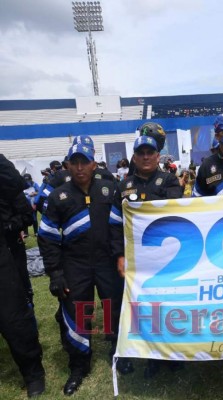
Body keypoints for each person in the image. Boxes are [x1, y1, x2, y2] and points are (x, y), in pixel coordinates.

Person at [38, 144, 128, 395]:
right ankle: (79, 365)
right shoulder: (58, 196)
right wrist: (55, 273)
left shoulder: (109, 189)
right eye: (74, 162)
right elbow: (46, 236)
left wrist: (120, 256)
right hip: (74, 264)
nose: (79, 167)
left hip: (107, 262)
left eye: (84, 161)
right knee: (77, 312)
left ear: (93, 163)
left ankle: (118, 353)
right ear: (67, 164)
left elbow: (117, 228)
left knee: (113, 306)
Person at [110, 135, 183, 379]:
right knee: (145, 309)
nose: (145, 157)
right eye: (140, 153)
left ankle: (173, 354)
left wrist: (140, 204)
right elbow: (114, 225)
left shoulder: (170, 180)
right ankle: (152, 357)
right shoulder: (123, 186)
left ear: (158, 156)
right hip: (137, 260)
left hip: (168, 256)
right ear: (134, 157)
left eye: (150, 152)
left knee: (170, 305)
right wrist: (119, 256)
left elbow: (175, 207)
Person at [0, 154, 46, 398]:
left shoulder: (7, 179)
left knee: (13, 314)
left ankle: (33, 371)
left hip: (7, 251)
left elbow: (24, 211)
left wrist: (10, 226)